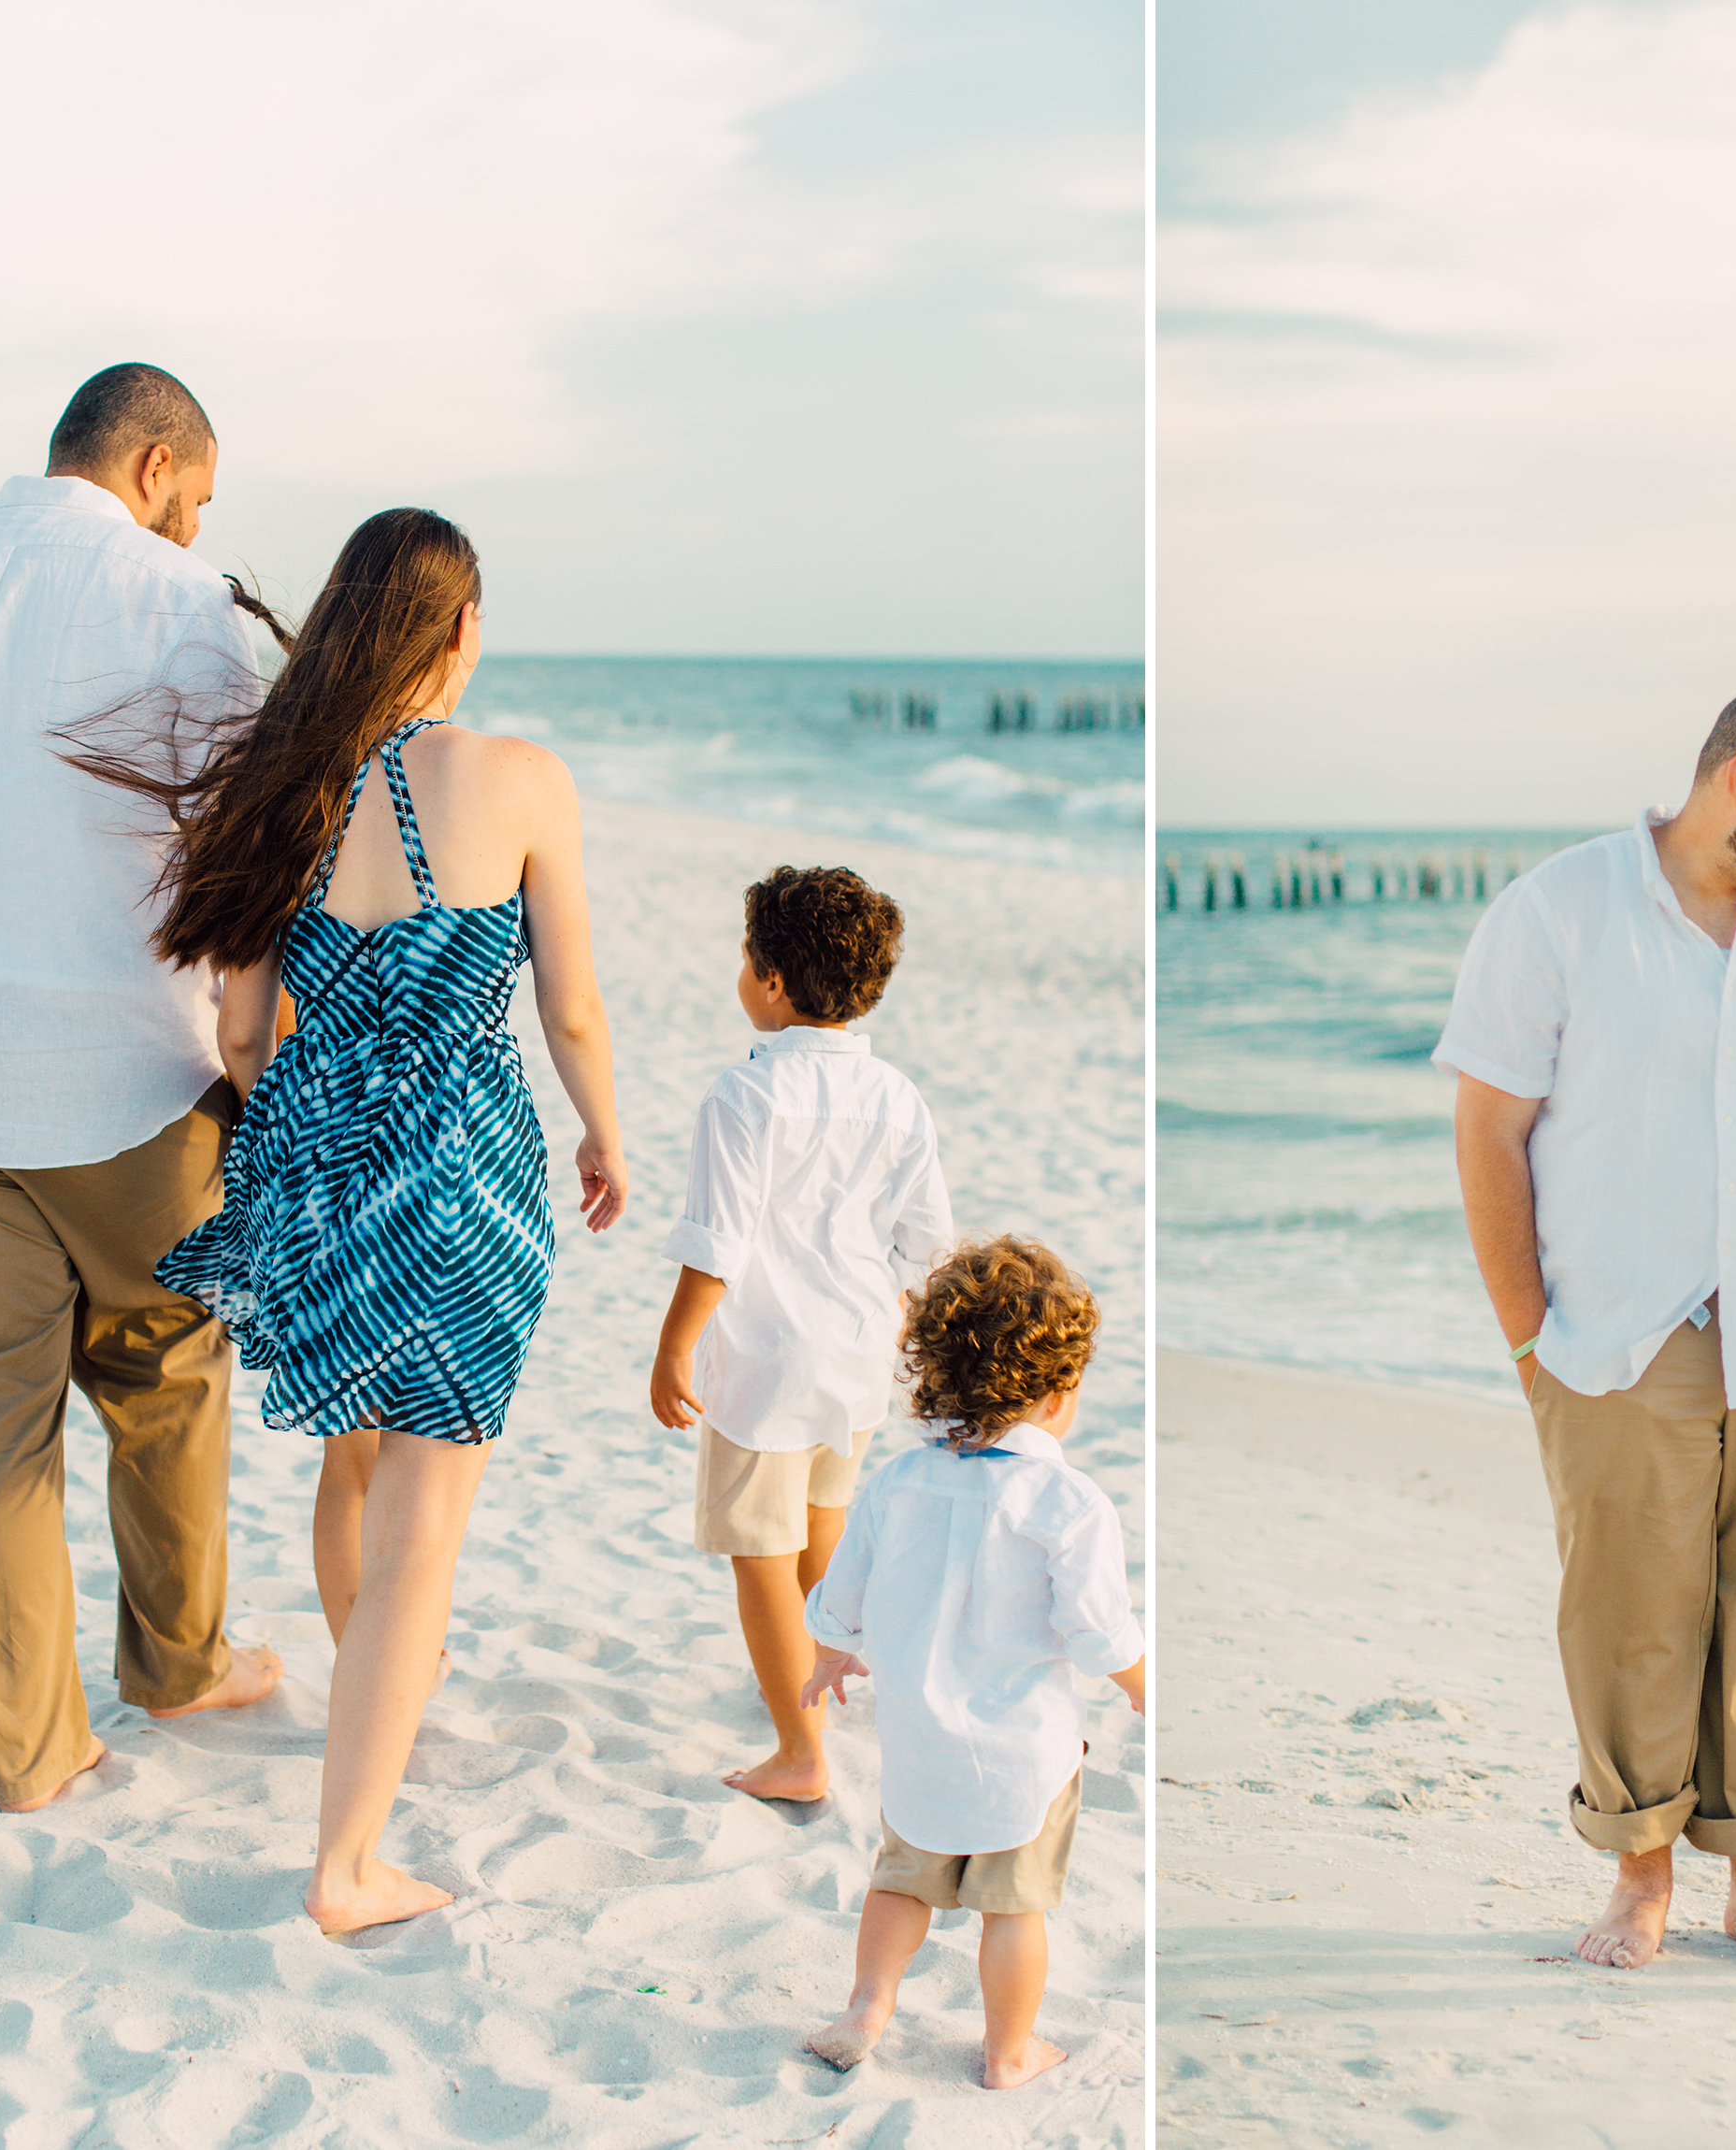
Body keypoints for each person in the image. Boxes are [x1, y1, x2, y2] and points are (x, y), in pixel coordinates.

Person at [79, 506, 630, 1937]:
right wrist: (605, 1134)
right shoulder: (519, 778)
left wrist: (312, 1124)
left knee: (353, 1464)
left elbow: (247, 1028)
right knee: (424, 1531)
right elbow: (568, 1004)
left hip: (317, 1165)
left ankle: (372, 1700)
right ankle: (347, 1865)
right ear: (457, 630)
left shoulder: (288, 790)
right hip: (464, 1174)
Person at [0, 362, 285, 1814]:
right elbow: (243, 859)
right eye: (194, 504)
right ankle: (177, 1662)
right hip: (121, 1068)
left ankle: (29, 1748)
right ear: (153, 466)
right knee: (160, 1372)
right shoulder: (178, 609)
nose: (194, 535)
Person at [1435, 683, 1736, 1973]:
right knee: (1627, 1613)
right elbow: (1488, 1127)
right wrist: (1527, 1333)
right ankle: (1637, 1877)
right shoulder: (1559, 910)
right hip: (1610, 1335)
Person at [797, 1237, 1146, 2088]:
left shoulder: (898, 1481)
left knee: (900, 1884)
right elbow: (1099, 1631)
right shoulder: (1066, 1500)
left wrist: (831, 1652)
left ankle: (867, 2007)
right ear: (1060, 1390)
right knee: (1015, 1909)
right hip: (1027, 1755)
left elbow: (842, 1588)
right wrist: (1146, 1689)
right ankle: (1006, 2052)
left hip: (919, 1741)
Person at [647, 867, 955, 1803]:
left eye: (746, 958)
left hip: (769, 1358)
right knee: (822, 1533)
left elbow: (717, 1242)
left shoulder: (743, 1096)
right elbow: (926, 1239)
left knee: (759, 1555)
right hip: (858, 1349)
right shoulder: (898, 1093)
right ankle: (825, 1680)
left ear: (773, 980)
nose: (742, 972)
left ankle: (801, 1750)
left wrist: (672, 1346)